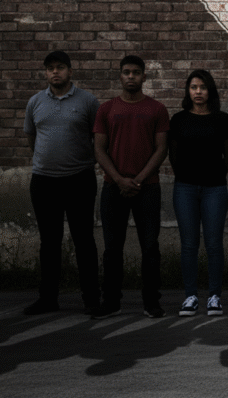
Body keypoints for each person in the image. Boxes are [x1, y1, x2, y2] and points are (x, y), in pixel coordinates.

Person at [22, 50, 102, 315]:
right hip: (44, 182)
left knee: (84, 240)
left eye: (60, 67)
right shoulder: (35, 102)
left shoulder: (88, 101)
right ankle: (48, 299)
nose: (54, 72)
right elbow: (32, 139)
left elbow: (98, 139)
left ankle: (91, 299)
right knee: (50, 242)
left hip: (79, 180)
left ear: (70, 71)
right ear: (45, 73)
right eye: (50, 68)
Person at [92, 55, 169, 319]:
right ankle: (111, 301)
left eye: (136, 72)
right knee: (113, 248)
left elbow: (161, 149)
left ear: (144, 77)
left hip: (147, 187)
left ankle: (151, 302)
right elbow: (99, 150)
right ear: (120, 76)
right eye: (126, 72)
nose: (131, 76)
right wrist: (119, 178)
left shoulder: (157, 109)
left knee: (150, 248)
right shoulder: (107, 109)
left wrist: (137, 179)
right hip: (114, 187)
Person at [169, 70, 228, 317]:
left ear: (211, 91)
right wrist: (186, 175)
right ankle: (191, 297)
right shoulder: (178, 120)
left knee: (214, 243)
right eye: (194, 87)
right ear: (188, 91)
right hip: (184, 187)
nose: (198, 92)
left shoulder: (222, 119)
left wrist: (215, 175)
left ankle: (214, 296)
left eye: (203, 87)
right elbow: (173, 155)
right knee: (189, 244)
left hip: (214, 189)